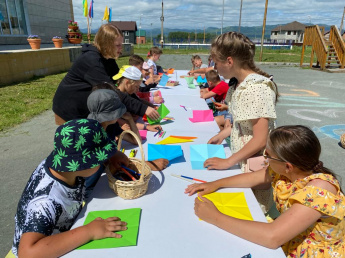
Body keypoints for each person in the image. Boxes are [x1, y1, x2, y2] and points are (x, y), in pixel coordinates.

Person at [185, 125, 345, 258]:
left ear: (288, 166)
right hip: (291, 238)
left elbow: (272, 236)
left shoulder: (320, 190)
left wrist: (214, 217)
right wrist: (216, 184)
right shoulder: (289, 171)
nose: (265, 159)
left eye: (268, 156)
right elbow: (257, 178)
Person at [10, 119, 128, 257]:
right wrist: (89, 231)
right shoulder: (46, 202)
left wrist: (113, 156)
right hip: (45, 248)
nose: (103, 161)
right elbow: (27, 253)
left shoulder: (63, 164)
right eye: (99, 159)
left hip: (67, 228)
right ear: (81, 164)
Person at [204, 32, 279, 213]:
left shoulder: (256, 89)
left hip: (254, 165)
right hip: (242, 159)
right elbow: (240, 123)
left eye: (216, 62)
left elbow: (260, 139)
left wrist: (228, 162)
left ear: (229, 61)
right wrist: (223, 133)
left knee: (252, 211)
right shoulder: (238, 84)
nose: (214, 67)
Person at [52, 24, 160, 125]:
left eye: (121, 44)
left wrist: (144, 105)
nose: (120, 49)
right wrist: (143, 109)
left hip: (83, 107)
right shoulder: (91, 61)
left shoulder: (108, 59)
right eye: (117, 45)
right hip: (70, 109)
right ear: (106, 44)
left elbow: (119, 85)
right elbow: (112, 93)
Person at [87, 89, 169, 171]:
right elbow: (105, 164)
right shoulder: (92, 132)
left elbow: (136, 140)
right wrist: (147, 165)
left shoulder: (111, 125)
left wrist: (130, 119)